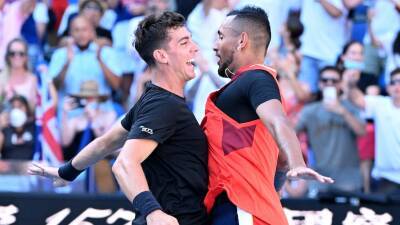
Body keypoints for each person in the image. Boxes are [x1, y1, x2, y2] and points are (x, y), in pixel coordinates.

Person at [29, 11, 208, 225]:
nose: (195, 48)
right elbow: (124, 164)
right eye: (184, 42)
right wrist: (153, 213)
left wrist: (67, 171)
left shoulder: (153, 99)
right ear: (161, 56)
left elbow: (107, 142)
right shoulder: (163, 105)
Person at [202, 6, 333, 225]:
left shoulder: (257, 78)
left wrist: (297, 163)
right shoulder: (248, 85)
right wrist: (272, 190)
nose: (215, 46)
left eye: (221, 36)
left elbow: (279, 121)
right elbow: (280, 160)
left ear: (242, 40)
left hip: (242, 209)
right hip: (249, 209)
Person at [296, 66, 365, 194]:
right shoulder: (310, 111)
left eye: (334, 81)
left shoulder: (350, 107)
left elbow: (362, 132)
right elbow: (292, 133)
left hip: (348, 178)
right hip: (320, 177)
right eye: (325, 80)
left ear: (340, 84)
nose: (329, 84)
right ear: (319, 84)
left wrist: (342, 111)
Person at [348, 68, 400, 195]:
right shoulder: (380, 104)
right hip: (386, 178)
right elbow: (356, 99)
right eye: (394, 82)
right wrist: (351, 84)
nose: (397, 86)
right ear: (387, 88)